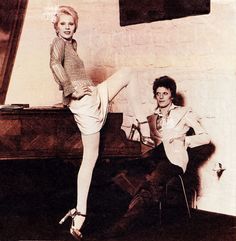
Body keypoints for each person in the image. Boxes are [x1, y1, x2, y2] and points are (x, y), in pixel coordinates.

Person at [49, 5, 144, 240]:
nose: (67, 27)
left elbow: (74, 70)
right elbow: (55, 65)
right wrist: (72, 91)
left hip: (94, 95)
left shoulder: (72, 44)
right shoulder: (58, 43)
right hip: (84, 105)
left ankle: (140, 123)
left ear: (75, 25)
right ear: (56, 26)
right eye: (63, 24)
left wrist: (86, 89)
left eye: (70, 24)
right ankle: (80, 213)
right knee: (88, 161)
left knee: (128, 73)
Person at [104, 75, 211, 238]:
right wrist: (136, 135)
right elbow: (143, 140)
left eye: (165, 93)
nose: (161, 97)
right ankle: (139, 202)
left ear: (172, 95)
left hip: (173, 160)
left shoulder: (184, 113)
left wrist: (185, 139)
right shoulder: (150, 117)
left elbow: (205, 138)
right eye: (158, 93)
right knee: (121, 172)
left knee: (152, 181)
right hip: (153, 156)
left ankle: (121, 227)